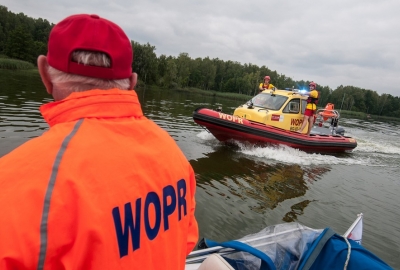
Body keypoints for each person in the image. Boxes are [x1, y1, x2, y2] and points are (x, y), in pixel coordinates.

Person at [0, 14, 198, 270]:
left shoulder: (14, 182)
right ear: (132, 83)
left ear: (44, 74)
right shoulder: (175, 157)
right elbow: (187, 241)